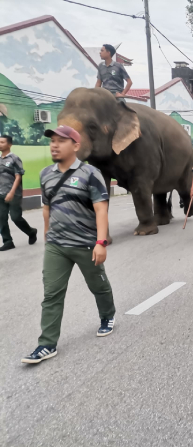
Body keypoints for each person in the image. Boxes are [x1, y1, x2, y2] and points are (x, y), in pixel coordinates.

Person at [22, 125, 115, 364]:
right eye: (52, 140)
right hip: (56, 245)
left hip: (85, 243)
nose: (54, 144)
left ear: (75, 146)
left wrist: (101, 242)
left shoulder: (90, 173)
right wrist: (46, 234)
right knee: (51, 294)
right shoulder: (45, 174)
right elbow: (46, 207)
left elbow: (101, 209)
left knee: (98, 285)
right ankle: (47, 344)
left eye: (61, 140)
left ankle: (107, 315)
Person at [0, 135, 37, 251]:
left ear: (9, 145)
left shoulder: (14, 158)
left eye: (2, 142)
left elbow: (18, 177)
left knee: (16, 217)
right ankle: (8, 241)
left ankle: (31, 232)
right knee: (1, 218)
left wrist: (11, 192)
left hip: (13, 194)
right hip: (1, 193)